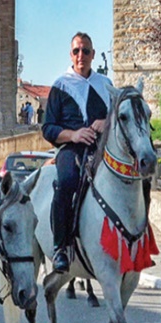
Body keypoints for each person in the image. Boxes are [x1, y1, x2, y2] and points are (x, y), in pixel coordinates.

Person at [42, 32, 113, 273]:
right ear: (71, 55)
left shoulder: (106, 84)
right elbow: (48, 128)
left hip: (103, 148)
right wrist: (73, 135)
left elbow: (118, 118)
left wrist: (106, 122)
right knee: (66, 182)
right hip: (71, 149)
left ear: (93, 54)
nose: (80, 55)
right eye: (76, 51)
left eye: (85, 51)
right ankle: (61, 247)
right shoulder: (61, 85)